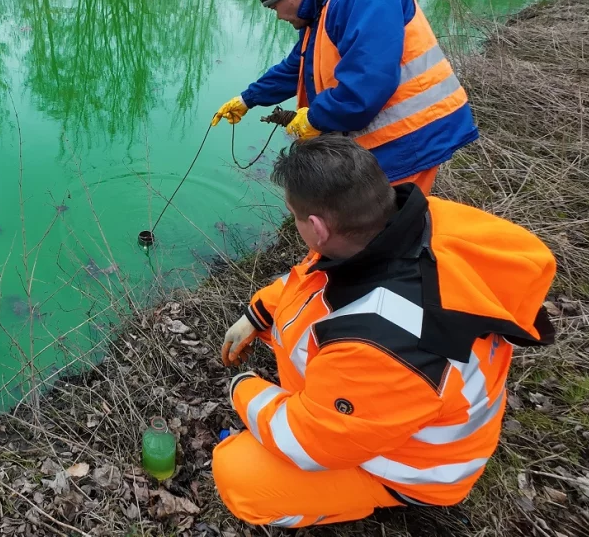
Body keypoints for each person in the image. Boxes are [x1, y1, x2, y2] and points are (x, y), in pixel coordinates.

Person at [211, 134, 557, 527]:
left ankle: (374, 498)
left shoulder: (380, 341)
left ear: (318, 227)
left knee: (238, 473)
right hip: (389, 402)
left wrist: (244, 387)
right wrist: (259, 313)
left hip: (416, 464)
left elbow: (305, 441)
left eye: (294, 216)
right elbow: (314, 277)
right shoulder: (399, 224)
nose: (295, 225)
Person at [210, 0, 478, 194]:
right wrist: (248, 99)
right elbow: (297, 67)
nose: (278, 16)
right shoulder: (322, 10)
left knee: (386, 228)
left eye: (274, 7)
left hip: (411, 138)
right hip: (384, 140)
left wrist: (315, 119)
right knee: (366, 226)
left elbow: (368, 82)